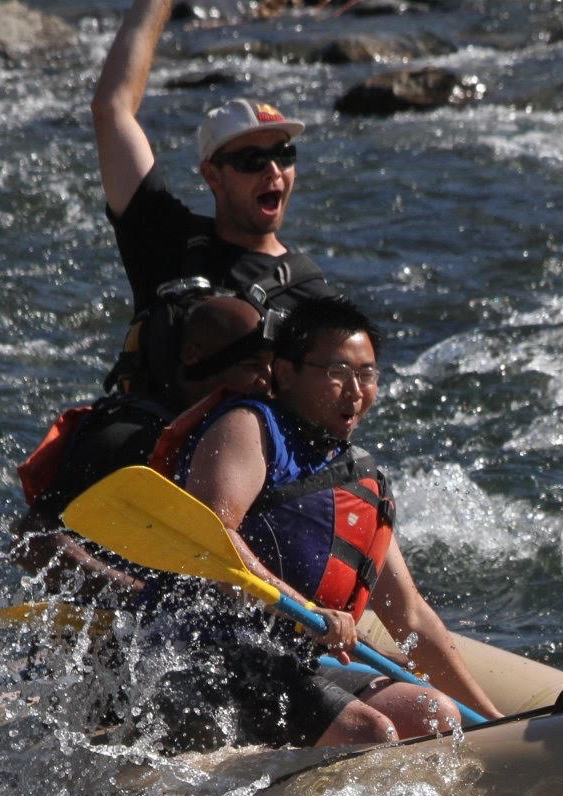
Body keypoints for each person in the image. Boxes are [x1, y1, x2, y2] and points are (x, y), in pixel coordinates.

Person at [141, 296, 501, 750]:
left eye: (366, 374)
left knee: (435, 714)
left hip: (290, 658)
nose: (355, 391)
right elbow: (210, 539)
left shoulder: (360, 480)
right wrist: (305, 610)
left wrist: (496, 721)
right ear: (285, 373)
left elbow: (409, 616)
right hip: (207, 651)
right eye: (337, 373)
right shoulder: (247, 427)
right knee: (371, 733)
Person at [92, 0, 341, 408]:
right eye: (252, 160)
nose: (273, 170)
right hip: (150, 451)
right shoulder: (166, 238)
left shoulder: (312, 300)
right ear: (213, 174)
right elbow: (112, 109)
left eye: (284, 154)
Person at [12, 297, 278, 599]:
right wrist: (139, 596)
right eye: (252, 366)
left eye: (272, 367)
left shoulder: (241, 440)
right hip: (92, 624)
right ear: (193, 356)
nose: (267, 383)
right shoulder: (127, 435)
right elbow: (31, 539)